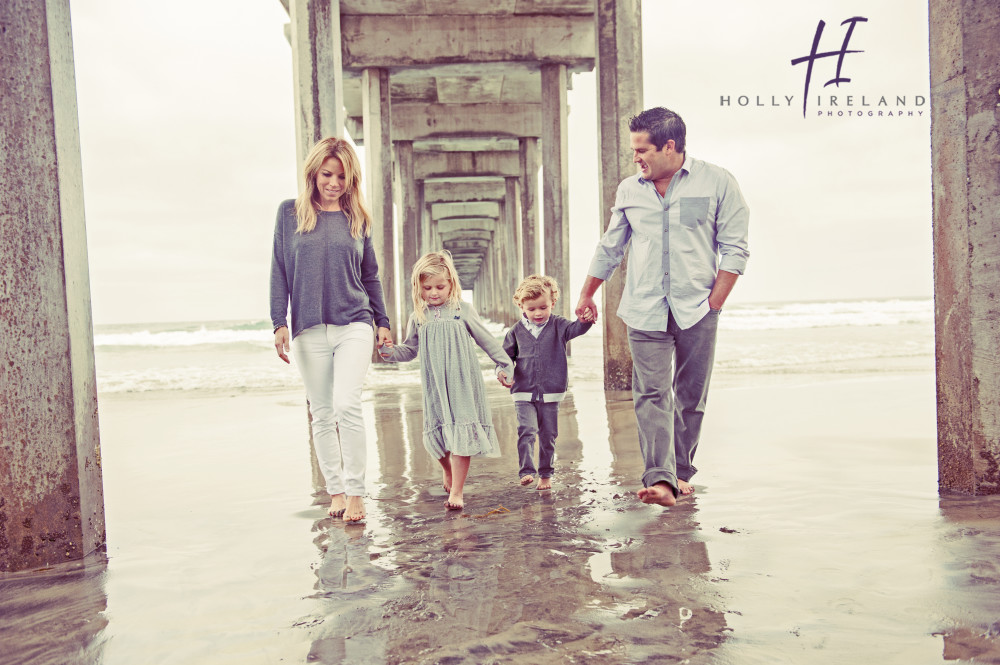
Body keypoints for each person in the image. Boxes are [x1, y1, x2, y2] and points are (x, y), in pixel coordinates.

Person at [575, 107, 750, 507]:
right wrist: (588, 293)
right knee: (651, 393)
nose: (636, 158)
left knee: (690, 396)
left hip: (697, 308)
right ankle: (661, 479)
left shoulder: (718, 182)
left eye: (642, 150)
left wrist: (714, 302)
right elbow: (611, 245)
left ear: (669, 147)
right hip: (644, 307)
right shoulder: (629, 190)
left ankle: (681, 472)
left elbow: (735, 248)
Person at [270, 137, 392, 524]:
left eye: (341, 176)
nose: (334, 182)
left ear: (350, 178)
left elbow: (370, 277)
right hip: (308, 328)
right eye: (327, 174)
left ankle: (356, 493)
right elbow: (279, 269)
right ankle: (335, 492)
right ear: (313, 173)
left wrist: (383, 322)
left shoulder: (358, 219)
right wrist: (278, 321)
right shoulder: (289, 214)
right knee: (322, 413)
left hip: (355, 322)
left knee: (346, 405)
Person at [380, 251, 514, 511]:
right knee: (437, 433)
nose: (433, 293)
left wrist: (504, 363)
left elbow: (486, 340)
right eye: (427, 287)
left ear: (451, 284)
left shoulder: (462, 310)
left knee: (461, 433)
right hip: (435, 385)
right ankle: (447, 469)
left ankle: (457, 491)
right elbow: (409, 350)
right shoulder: (418, 316)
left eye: (440, 287)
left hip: (463, 380)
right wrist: (388, 351)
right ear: (418, 288)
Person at [502, 275, 593, 490]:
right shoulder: (515, 331)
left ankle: (545, 475)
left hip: (551, 391)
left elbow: (576, 329)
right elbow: (505, 357)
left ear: (552, 303)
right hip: (523, 391)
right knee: (527, 428)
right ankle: (526, 471)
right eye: (531, 309)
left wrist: (585, 320)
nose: (538, 313)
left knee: (548, 434)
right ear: (521, 306)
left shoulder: (559, 325)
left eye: (543, 307)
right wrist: (502, 371)